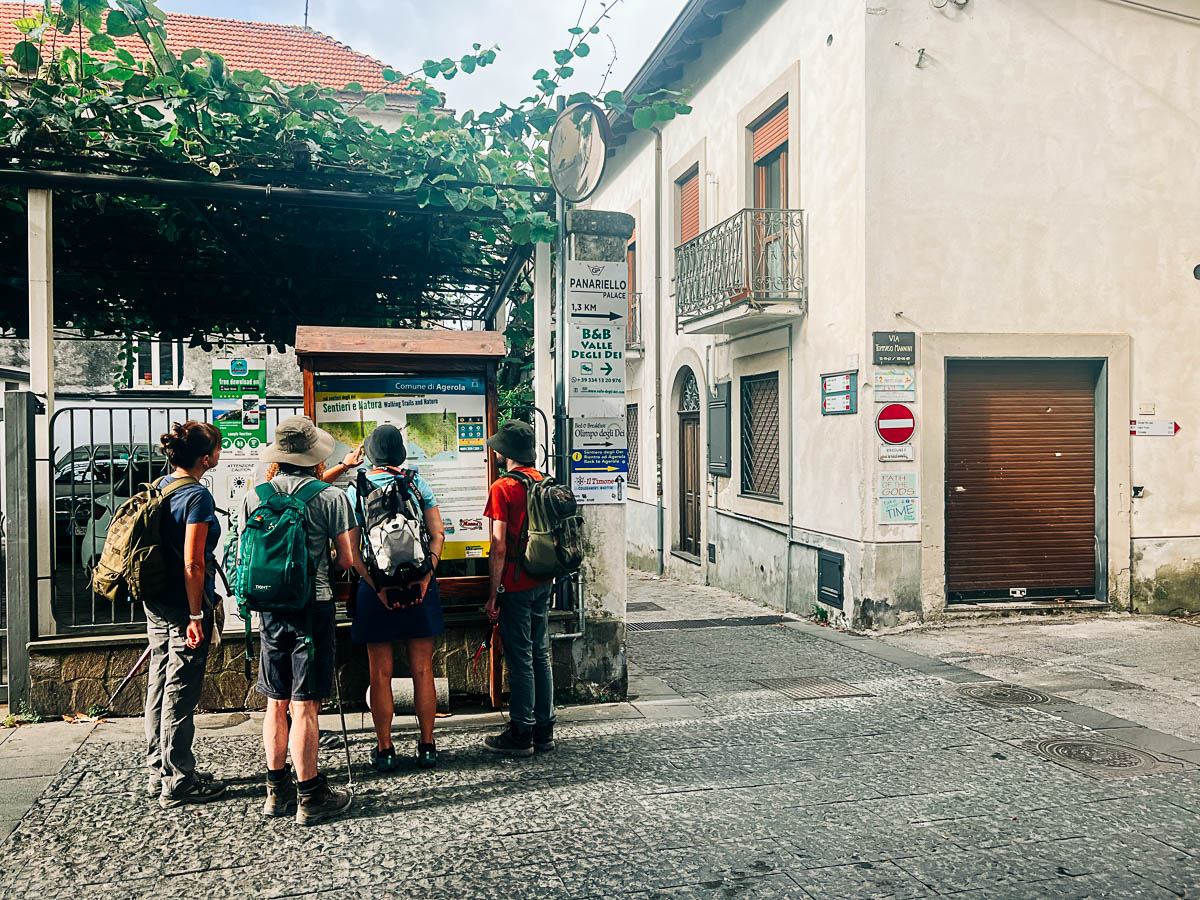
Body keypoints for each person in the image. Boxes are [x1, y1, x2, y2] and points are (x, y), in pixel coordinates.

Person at [242, 416, 377, 826]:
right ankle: (310, 794)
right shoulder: (331, 498)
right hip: (312, 607)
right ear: (312, 455)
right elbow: (347, 560)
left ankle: (275, 789)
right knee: (306, 705)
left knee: (275, 702)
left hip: (269, 609)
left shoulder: (256, 495)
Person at [345, 424, 446, 772]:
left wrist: (376, 587)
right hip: (419, 586)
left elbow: (351, 552)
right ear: (400, 453)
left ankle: (385, 749)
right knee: (422, 669)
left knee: (380, 674)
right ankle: (428, 745)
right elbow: (438, 534)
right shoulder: (417, 483)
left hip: (376, 591)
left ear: (370, 454)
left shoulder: (356, 488)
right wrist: (424, 577)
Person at [146, 420, 227, 809]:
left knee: (159, 682)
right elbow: (194, 563)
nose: (220, 453)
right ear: (205, 458)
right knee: (180, 689)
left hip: (157, 601)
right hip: (184, 605)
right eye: (217, 448)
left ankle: (157, 769)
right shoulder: (197, 497)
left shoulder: (162, 487)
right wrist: (196, 616)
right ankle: (179, 781)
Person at [481, 420, 556, 757]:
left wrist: (493, 592)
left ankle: (521, 731)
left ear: (507, 452)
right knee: (540, 653)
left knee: (521, 657)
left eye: (498, 446)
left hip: (515, 581)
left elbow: (498, 545)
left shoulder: (503, 488)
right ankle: (545, 729)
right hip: (543, 578)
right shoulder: (544, 481)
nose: (494, 451)